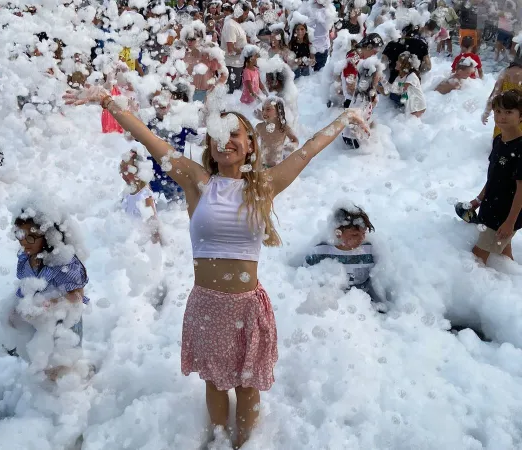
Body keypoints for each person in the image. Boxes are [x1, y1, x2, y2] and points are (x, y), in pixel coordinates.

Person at [63, 84, 368, 449]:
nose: (226, 141)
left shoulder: (263, 186)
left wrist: (345, 117)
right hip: (208, 304)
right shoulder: (197, 181)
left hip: (247, 305)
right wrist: (107, 101)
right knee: (215, 382)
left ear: (251, 144)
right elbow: (148, 138)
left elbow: (307, 151)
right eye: (218, 136)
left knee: (247, 384)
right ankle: (220, 440)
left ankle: (244, 444)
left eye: (235, 134)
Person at [9, 206, 89, 380]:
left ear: (49, 237)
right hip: (39, 319)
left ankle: (68, 391)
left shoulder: (63, 263)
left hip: (64, 319)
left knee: (62, 362)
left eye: (31, 237)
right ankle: (44, 387)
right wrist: (16, 308)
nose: (24, 242)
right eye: (20, 235)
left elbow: (77, 296)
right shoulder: (25, 258)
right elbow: (26, 285)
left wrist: (52, 302)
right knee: (40, 359)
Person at [466, 90, 522, 265]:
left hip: (504, 214)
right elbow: (494, 176)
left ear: (521, 116)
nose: (501, 117)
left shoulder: (520, 148)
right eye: (498, 111)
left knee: (477, 257)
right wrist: (478, 199)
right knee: (504, 252)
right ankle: (512, 282)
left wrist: (509, 223)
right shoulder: (499, 140)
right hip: (493, 206)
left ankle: (478, 288)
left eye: (508, 112)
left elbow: (521, 190)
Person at [304, 205, 381, 301]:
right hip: (332, 302)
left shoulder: (370, 251)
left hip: (363, 302)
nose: (361, 238)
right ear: (338, 233)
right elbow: (304, 279)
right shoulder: (320, 252)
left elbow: (379, 280)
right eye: (355, 234)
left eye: (363, 233)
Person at [340, 33, 384, 148]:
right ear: (368, 46)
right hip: (353, 100)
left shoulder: (363, 57)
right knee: (352, 128)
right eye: (374, 51)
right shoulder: (354, 57)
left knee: (357, 125)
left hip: (359, 99)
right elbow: (351, 84)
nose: (375, 54)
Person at [120, 150, 160, 243]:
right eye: (122, 171)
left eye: (127, 171)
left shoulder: (145, 196)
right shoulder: (127, 192)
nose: (124, 176)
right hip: (129, 240)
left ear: (138, 171)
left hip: (140, 244)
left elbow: (154, 227)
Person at [482, 50, 522, 137]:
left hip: (504, 116)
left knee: (502, 143)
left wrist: (486, 112)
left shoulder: (506, 72)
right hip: (518, 118)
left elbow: (494, 95)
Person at [255, 96, 299, 168]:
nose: (264, 112)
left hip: (277, 165)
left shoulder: (283, 127)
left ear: (278, 111)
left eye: (268, 109)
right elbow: (251, 141)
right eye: (262, 109)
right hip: (262, 164)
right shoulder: (259, 127)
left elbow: (295, 140)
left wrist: (290, 146)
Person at [221, 2, 249, 93]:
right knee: (231, 94)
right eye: (245, 13)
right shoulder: (231, 25)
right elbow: (231, 50)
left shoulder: (235, 24)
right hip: (232, 66)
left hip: (236, 65)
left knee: (235, 93)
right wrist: (246, 50)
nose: (246, 16)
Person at [389, 51, 426, 117]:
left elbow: (405, 86)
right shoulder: (399, 77)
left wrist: (397, 85)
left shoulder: (412, 75)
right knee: (392, 95)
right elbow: (392, 89)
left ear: (403, 65)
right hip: (410, 103)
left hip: (418, 105)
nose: (396, 62)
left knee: (412, 121)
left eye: (398, 61)